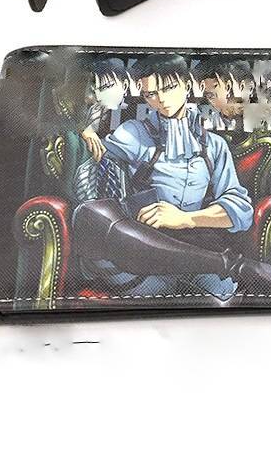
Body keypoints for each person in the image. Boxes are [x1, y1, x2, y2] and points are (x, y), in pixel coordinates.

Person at [83, 53, 254, 299]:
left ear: (187, 85)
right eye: (151, 94)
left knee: (216, 294)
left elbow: (241, 211)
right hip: (140, 256)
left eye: (169, 88)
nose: (161, 99)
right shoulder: (134, 133)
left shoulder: (214, 145)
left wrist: (185, 219)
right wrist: (86, 130)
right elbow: (95, 162)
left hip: (197, 255)